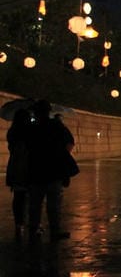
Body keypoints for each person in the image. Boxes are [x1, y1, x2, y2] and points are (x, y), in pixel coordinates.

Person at [23, 99, 77, 244]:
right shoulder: (56, 126)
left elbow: (25, 147)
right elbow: (70, 141)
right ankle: (54, 230)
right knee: (54, 204)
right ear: (48, 112)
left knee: (35, 203)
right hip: (54, 170)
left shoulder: (31, 128)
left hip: (35, 169)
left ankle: (33, 229)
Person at [6, 105, 33, 241]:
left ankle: (19, 223)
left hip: (15, 166)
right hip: (27, 165)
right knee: (29, 195)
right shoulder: (29, 131)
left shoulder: (12, 131)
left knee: (18, 196)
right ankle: (29, 222)